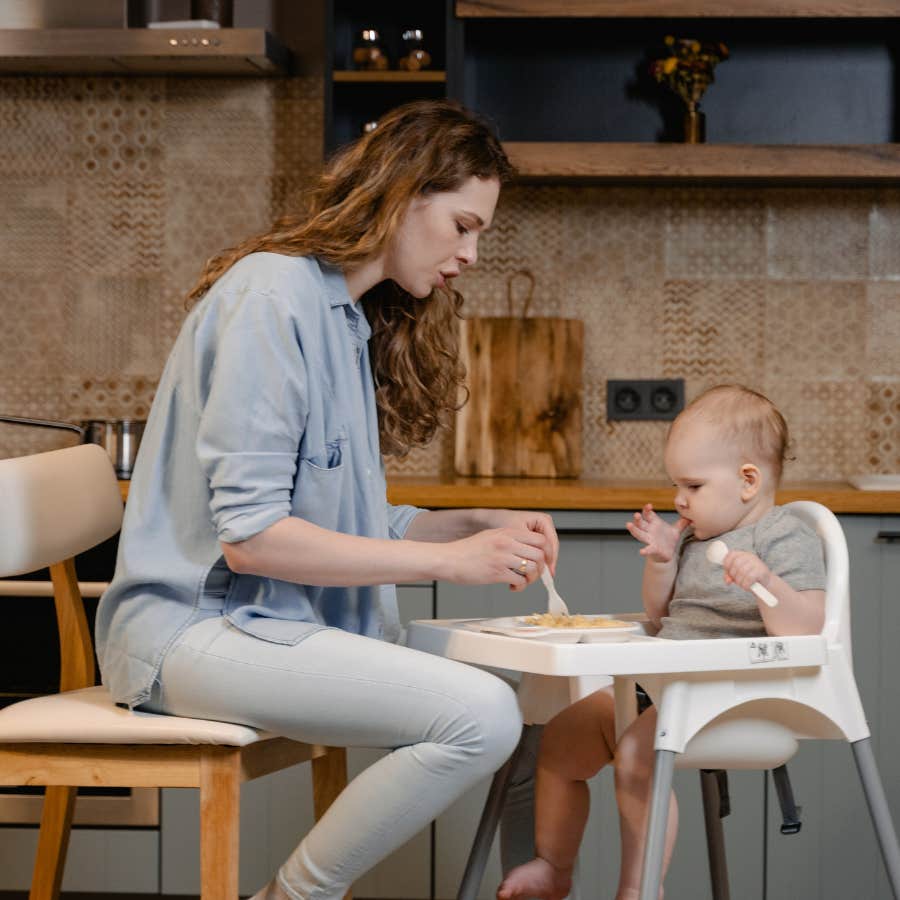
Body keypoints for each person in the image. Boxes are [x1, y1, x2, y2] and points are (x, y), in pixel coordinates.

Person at [95, 99, 561, 900]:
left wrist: (472, 523)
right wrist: (447, 560)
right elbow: (255, 540)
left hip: (272, 623)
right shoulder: (274, 300)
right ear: (403, 193)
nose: (473, 253)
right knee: (479, 716)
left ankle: (533, 877)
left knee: (535, 681)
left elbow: (343, 522)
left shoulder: (343, 316)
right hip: (192, 632)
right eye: (462, 224)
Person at [497, 384, 827, 900]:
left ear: (748, 481)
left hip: (739, 696)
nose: (679, 499)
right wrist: (664, 560)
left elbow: (806, 630)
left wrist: (767, 582)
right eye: (676, 484)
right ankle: (553, 865)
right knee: (562, 737)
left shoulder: (783, 537)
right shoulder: (695, 539)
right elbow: (659, 613)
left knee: (636, 750)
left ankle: (640, 888)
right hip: (663, 689)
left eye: (693, 485)